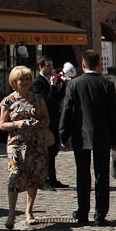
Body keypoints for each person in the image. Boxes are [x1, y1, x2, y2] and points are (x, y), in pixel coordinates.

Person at [59, 49, 116, 226]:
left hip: (81, 134)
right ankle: (100, 215)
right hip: (102, 135)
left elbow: (67, 110)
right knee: (102, 175)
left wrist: (63, 134)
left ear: (83, 65)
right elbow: (113, 115)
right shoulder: (106, 84)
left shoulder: (74, 84)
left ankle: (83, 212)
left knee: (82, 174)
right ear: (99, 64)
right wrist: (115, 139)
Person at [0, 66, 50, 229]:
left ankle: (29, 211)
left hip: (35, 144)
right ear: (15, 82)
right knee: (14, 176)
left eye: (27, 79)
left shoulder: (37, 97)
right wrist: (17, 123)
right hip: (16, 144)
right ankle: (11, 214)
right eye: (22, 79)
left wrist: (39, 123)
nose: (25, 82)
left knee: (33, 177)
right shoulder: (8, 101)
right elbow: (2, 124)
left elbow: (47, 119)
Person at [31, 56, 68, 190]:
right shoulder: (38, 83)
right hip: (45, 122)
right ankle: (45, 179)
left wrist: (63, 85)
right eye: (48, 65)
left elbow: (57, 98)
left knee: (53, 150)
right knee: (47, 151)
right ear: (41, 67)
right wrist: (52, 86)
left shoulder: (50, 80)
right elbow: (46, 101)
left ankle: (52, 178)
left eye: (52, 65)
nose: (51, 68)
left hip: (54, 120)